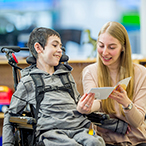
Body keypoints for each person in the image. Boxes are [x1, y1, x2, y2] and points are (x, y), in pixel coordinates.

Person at [2, 27, 105, 146]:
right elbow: (10, 115)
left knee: (96, 142)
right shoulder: (29, 81)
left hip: (77, 129)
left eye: (60, 46)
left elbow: (78, 103)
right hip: (51, 133)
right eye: (55, 45)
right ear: (38, 48)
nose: (59, 50)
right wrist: (7, 144)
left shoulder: (66, 77)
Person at [78, 21, 146, 146]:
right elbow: (97, 103)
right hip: (106, 141)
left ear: (123, 47)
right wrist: (86, 108)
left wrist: (126, 103)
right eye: (101, 45)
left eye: (112, 47)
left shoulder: (141, 73)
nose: (104, 52)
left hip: (138, 140)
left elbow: (137, 122)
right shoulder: (90, 71)